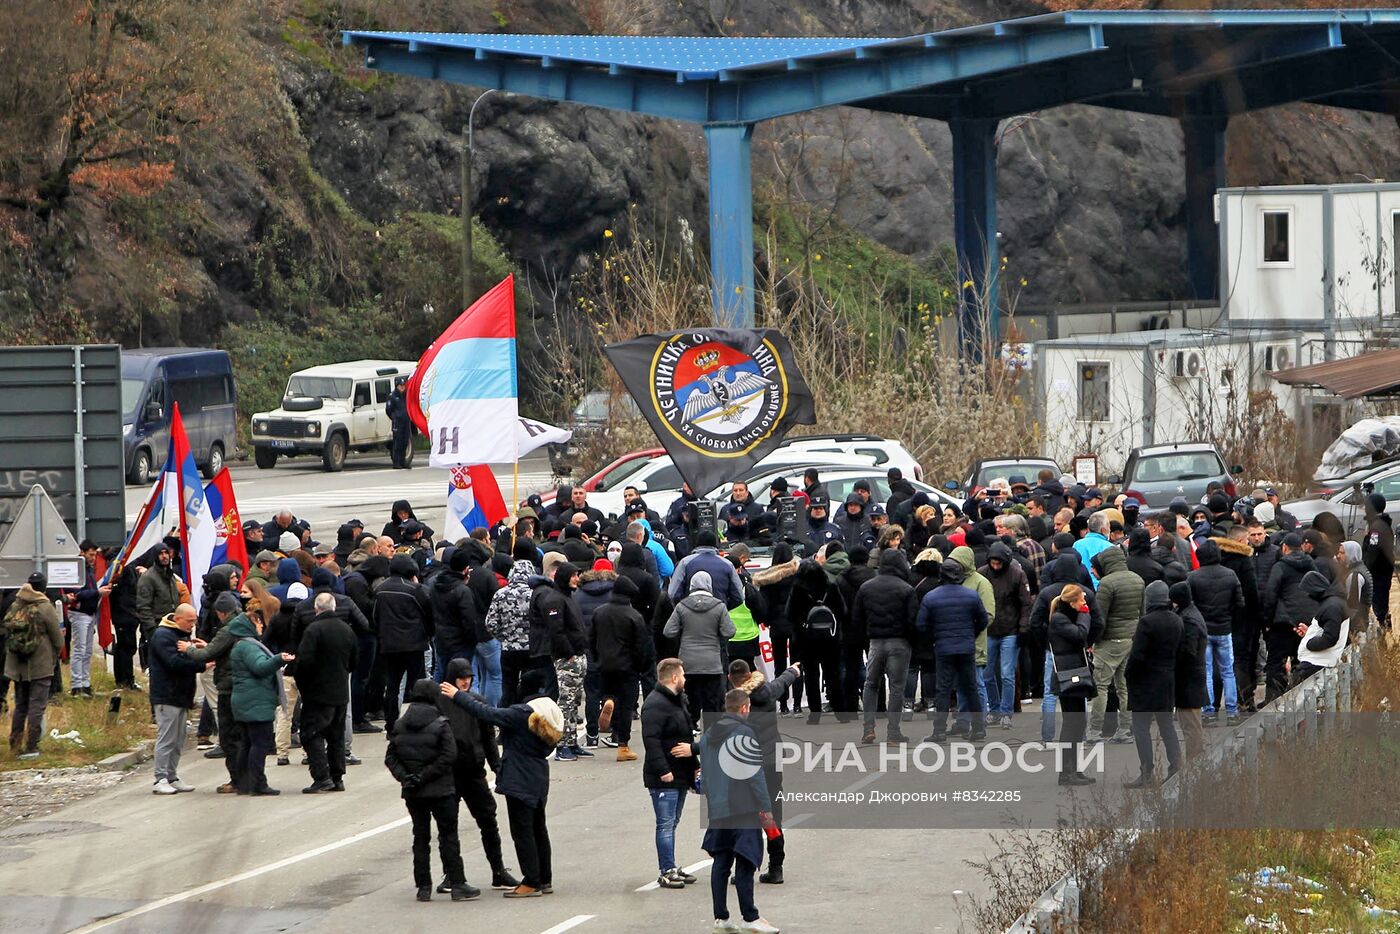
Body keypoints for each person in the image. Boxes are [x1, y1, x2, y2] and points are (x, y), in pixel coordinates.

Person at [442, 670, 564, 898]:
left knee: (522, 831)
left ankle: (531, 881)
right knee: (539, 828)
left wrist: (458, 695)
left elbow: (486, 712)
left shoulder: (521, 714)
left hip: (519, 777)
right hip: (539, 776)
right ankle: (544, 878)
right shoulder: (550, 711)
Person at [675, 689, 781, 934]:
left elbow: (704, 765)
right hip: (744, 807)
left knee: (721, 862)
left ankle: (721, 917)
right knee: (746, 860)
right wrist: (766, 808)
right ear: (744, 708)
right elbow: (755, 775)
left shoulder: (710, 733)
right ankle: (750, 917)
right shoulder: (744, 733)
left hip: (718, 808)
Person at [386, 678, 477, 901]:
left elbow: (391, 757)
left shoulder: (399, 725)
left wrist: (407, 778)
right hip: (440, 789)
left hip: (413, 791)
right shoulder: (441, 724)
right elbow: (449, 755)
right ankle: (457, 883)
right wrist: (426, 776)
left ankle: (423, 886)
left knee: (420, 836)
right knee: (448, 836)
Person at [434, 658, 520, 893]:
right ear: (452, 677)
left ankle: (498, 869)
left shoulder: (476, 703)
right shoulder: (438, 703)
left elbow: (488, 738)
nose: (465, 681)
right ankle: (451, 875)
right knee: (447, 827)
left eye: (468, 677)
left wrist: (498, 768)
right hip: (448, 775)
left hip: (473, 772)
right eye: (461, 677)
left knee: (488, 820)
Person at [727, 658, 801, 885]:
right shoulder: (767, 691)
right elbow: (782, 682)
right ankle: (776, 866)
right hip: (771, 760)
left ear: (731, 679)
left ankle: (744, 865)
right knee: (772, 813)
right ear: (751, 675)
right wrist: (793, 670)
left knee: (744, 813)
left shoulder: (732, 702)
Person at [641, 658, 701, 890]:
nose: (685, 679)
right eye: (683, 675)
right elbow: (651, 740)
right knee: (665, 824)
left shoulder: (677, 701)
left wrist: (694, 764)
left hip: (680, 773)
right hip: (664, 776)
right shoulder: (655, 704)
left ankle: (671, 865)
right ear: (674, 678)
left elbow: (685, 737)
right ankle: (666, 870)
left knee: (672, 822)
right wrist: (663, 770)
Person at [916, 559, 989, 743]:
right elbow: (983, 620)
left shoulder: (931, 597)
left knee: (943, 689)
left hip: (943, 647)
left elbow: (921, 625)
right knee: (970, 687)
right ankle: (978, 728)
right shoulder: (971, 595)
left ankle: (939, 731)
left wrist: (935, 638)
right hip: (966, 646)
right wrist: (971, 634)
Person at [228, 597, 294, 796]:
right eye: (258, 623)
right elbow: (260, 667)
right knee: (259, 744)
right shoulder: (248, 646)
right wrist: (278, 659)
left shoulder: (241, 645)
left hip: (246, 701)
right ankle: (257, 783)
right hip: (255, 703)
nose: (261, 626)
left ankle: (243, 782)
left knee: (247, 743)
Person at [182, 591, 247, 792]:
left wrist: (188, 649)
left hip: (229, 685)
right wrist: (210, 646)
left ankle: (237, 780)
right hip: (243, 686)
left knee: (228, 737)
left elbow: (208, 655)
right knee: (242, 735)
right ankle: (246, 777)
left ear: (220, 613)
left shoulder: (228, 629)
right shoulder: (244, 622)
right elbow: (220, 648)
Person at [295, 592, 358, 794]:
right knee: (336, 736)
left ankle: (322, 776)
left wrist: (304, 686)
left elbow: (304, 662)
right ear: (333, 607)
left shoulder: (314, 630)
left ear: (316, 609)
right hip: (340, 691)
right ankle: (337, 777)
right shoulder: (346, 630)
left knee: (311, 734)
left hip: (317, 693)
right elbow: (354, 660)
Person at [854, 549, 917, 746]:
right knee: (896, 687)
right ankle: (893, 732)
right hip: (899, 642)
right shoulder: (907, 589)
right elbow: (912, 620)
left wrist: (869, 633)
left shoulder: (866, 587)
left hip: (875, 641)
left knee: (871, 684)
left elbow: (857, 617)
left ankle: (868, 729)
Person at [1124, 581, 1183, 787]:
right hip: (1167, 679)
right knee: (1167, 726)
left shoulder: (1146, 622)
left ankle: (1147, 772)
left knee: (1140, 727)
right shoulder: (1176, 620)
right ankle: (1176, 766)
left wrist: (1128, 675)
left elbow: (1137, 656)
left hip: (1145, 681)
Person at [147, 604, 208, 793]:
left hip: (182, 695)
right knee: (166, 738)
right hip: (167, 695)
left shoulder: (180, 634)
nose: (193, 625)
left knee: (179, 738)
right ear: (178, 618)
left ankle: (172, 776)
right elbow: (173, 662)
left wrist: (192, 649)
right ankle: (160, 779)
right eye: (190, 621)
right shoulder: (163, 635)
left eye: (194, 621)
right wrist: (200, 663)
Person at [591, 573, 651, 762]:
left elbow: (591, 639)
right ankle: (623, 745)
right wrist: (641, 667)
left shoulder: (599, 612)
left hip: (604, 664)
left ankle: (607, 702)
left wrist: (596, 658)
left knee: (609, 694)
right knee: (626, 706)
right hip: (627, 667)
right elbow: (641, 646)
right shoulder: (634, 616)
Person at [4, 573, 64, 759]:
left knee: (21, 705)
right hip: (40, 664)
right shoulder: (45, 607)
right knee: (37, 706)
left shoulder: (16, 604)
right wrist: (54, 656)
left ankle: (15, 744)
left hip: (18, 666)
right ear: (44, 587)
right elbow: (57, 638)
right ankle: (32, 747)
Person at [663, 571, 736, 723]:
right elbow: (729, 631)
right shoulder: (719, 606)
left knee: (690, 703)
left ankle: (690, 734)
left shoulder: (682, 606)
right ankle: (710, 737)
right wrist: (719, 638)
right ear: (709, 585)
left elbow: (668, 631)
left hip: (688, 663)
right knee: (712, 705)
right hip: (712, 663)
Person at [1088, 548, 1144, 742]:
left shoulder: (1107, 583)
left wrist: (1093, 641)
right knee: (1124, 686)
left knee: (1100, 686)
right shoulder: (1138, 579)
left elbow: (1100, 617)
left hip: (1110, 641)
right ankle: (1125, 729)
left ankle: (1094, 731)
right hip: (1130, 638)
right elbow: (1142, 612)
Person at [1189, 540, 1245, 726]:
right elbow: (1239, 603)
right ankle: (1232, 711)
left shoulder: (1194, 577)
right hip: (1224, 628)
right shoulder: (1230, 575)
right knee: (1228, 670)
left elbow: (1190, 605)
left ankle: (1209, 712)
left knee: (1206, 671)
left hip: (1203, 630)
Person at [375, 555, 434, 732]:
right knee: (418, 685)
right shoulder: (415, 590)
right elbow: (429, 615)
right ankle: (419, 720)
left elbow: (375, 617)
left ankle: (391, 723)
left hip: (389, 644)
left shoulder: (380, 590)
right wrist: (429, 635)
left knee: (392, 685)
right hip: (414, 644)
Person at [1047, 584, 1098, 786]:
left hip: (1074, 671)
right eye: (1082, 601)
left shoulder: (1065, 617)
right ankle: (1066, 772)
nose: (1085, 604)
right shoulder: (1060, 619)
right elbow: (1079, 635)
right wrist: (1085, 616)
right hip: (1068, 674)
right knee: (1071, 724)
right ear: (1072, 602)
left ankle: (1075, 769)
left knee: (1078, 723)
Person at [786, 558, 848, 725]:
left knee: (811, 676)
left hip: (806, 640)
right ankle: (841, 713)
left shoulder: (797, 590)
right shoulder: (831, 586)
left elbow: (789, 614)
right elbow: (842, 611)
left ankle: (815, 714)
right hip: (831, 639)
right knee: (833, 674)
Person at [489, 541, 545, 708]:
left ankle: (505, 722)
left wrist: (504, 637)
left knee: (508, 688)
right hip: (533, 649)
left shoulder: (501, 593)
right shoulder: (538, 592)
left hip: (509, 650)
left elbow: (490, 623)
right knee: (533, 690)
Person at [1260, 534, 1315, 702]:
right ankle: (1303, 700)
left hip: (1283, 623)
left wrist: (1267, 621)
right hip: (1307, 621)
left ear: (1284, 548)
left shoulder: (1280, 566)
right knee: (1302, 660)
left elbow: (1271, 594)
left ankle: (1274, 700)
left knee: (1276, 662)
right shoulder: (1311, 564)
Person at [981, 542, 1030, 729]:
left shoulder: (1016, 574)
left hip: (1009, 630)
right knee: (987, 674)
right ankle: (995, 710)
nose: (995, 566)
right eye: (993, 562)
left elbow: (1025, 604)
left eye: (998, 563)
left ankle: (1005, 712)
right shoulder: (985, 573)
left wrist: (1023, 627)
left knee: (1006, 674)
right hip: (992, 629)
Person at [1169, 581, 1208, 762]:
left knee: (1190, 726)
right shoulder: (1192, 613)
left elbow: (1188, 651)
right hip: (1193, 679)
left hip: (1189, 680)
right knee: (1191, 724)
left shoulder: (1188, 619)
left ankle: (1195, 763)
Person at [65, 541, 109, 697]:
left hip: (89, 613)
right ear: (82, 552)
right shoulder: (76, 569)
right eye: (91, 554)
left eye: (95, 554)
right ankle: (77, 685)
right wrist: (97, 593)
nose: (93, 557)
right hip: (79, 613)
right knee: (79, 650)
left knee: (87, 651)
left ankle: (85, 683)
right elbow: (76, 594)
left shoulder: (88, 568)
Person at [1293, 570, 1350, 685]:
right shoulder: (1333, 603)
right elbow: (1329, 630)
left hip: (1316, 665)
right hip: (1318, 663)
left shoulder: (1332, 607)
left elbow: (1330, 638)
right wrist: (1310, 633)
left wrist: (1309, 642)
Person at [1361, 492, 1394, 629]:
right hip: (1381, 571)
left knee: (1380, 607)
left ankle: (1386, 635)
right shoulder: (1380, 524)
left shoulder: (1377, 528)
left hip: (1378, 574)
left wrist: (1364, 568)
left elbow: (1373, 552)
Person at [386, 377, 414, 469]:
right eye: (400, 386)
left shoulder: (407, 395)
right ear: (396, 386)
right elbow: (389, 410)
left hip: (406, 422)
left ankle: (403, 462)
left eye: (403, 385)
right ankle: (396, 462)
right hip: (397, 423)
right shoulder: (392, 396)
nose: (402, 387)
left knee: (405, 442)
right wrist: (395, 417)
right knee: (397, 442)